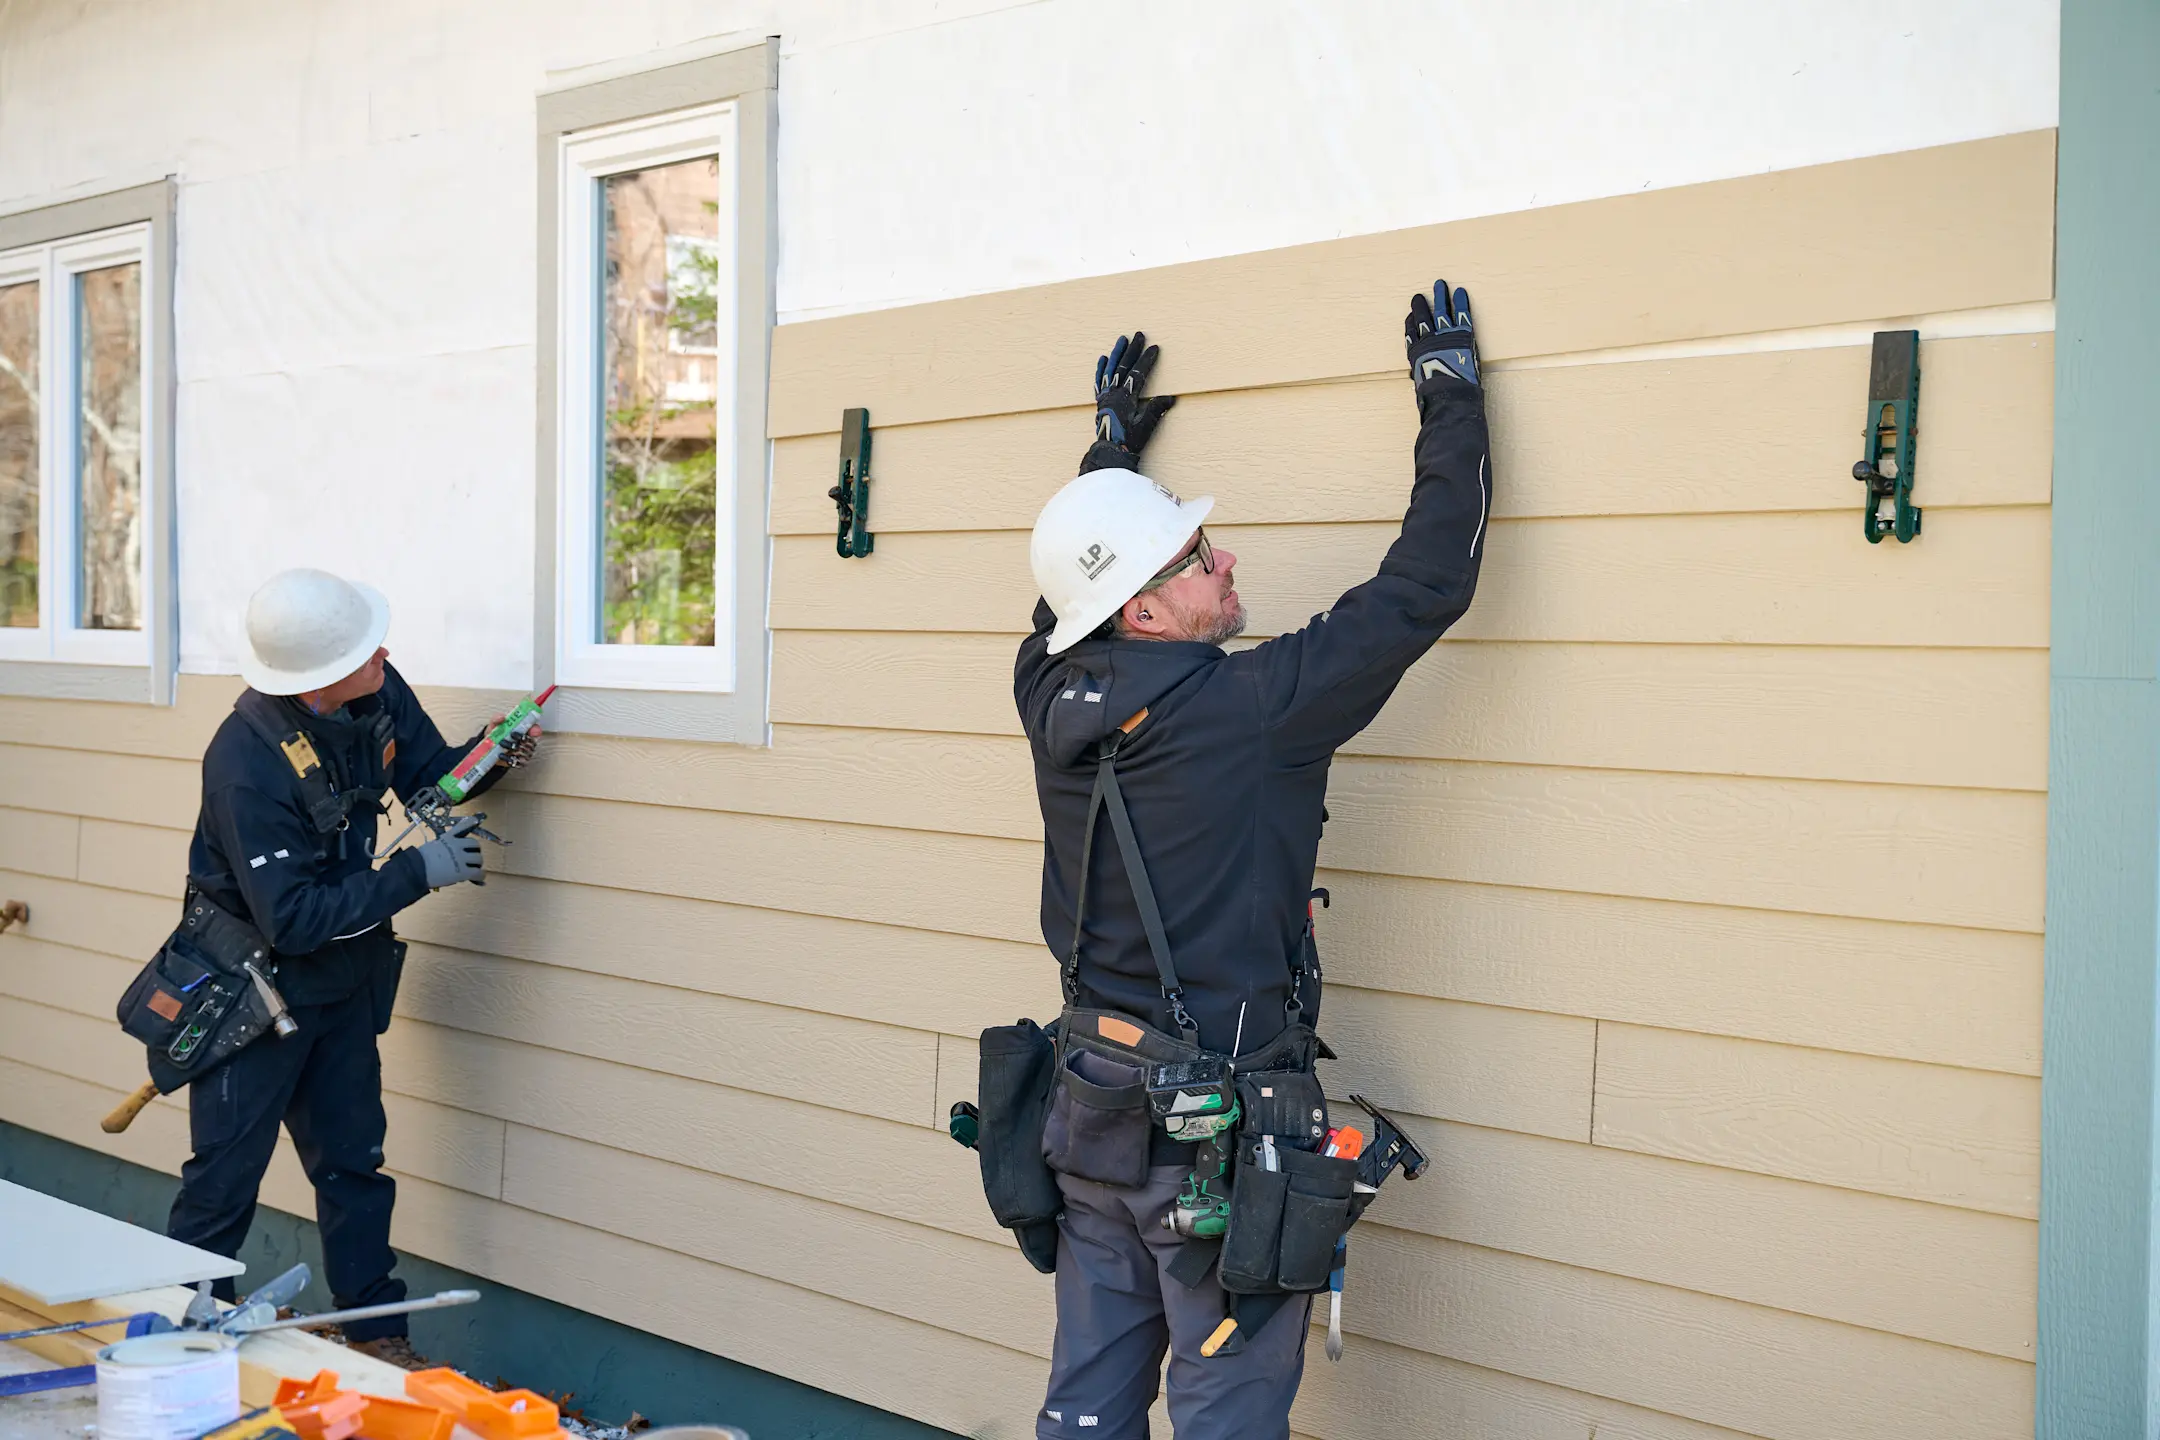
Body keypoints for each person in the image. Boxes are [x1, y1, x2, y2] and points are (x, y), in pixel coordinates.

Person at [1014, 282, 1491, 1438]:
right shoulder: (1254, 711)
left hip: (1094, 1111)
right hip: (1210, 1145)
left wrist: (1113, 455)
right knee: (1228, 1413)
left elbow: (1058, 597)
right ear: (1139, 611)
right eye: (1190, 557)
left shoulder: (1044, 686)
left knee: (1087, 1406)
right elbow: (1429, 583)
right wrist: (1451, 397)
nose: (1224, 561)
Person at [164, 568, 540, 1366]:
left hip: (342, 980)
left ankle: (379, 1343)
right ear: (314, 677)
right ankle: (192, 1346)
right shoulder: (244, 762)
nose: (385, 655)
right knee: (223, 1180)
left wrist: (492, 758)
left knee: (353, 1168)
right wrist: (416, 873)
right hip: (251, 993)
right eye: (366, 650)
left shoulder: (375, 689)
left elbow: (430, 773)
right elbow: (292, 918)